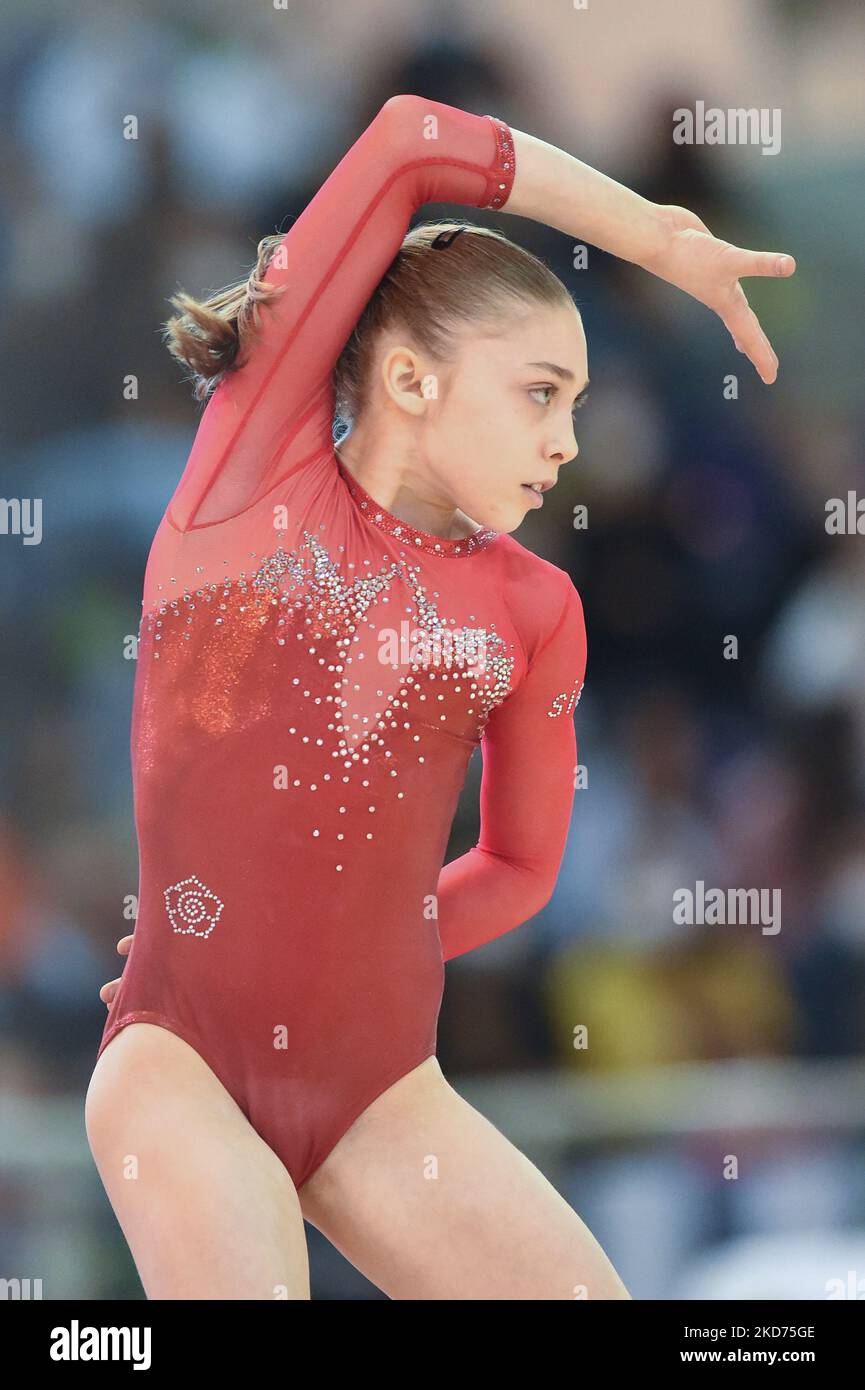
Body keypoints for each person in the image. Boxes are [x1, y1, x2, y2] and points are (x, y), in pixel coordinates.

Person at [85, 93, 794, 1301]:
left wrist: (342, 933)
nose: (568, 439)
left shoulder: (534, 612)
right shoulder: (253, 475)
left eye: (574, 401)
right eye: (537, 392)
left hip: (378, 1094)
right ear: (411, 378)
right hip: (183, 1059)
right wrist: (657, 240)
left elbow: (519, 867)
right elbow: (414, 140)